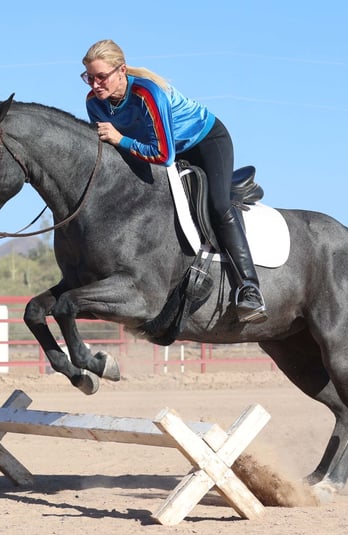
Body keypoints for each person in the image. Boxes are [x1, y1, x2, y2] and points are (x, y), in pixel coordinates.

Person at [81, 39, 267, 324]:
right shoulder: (94, 103)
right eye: (89, 78)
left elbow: (163, 154)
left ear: (122, 71)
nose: (95, 85)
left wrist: (120, 138)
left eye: (101, 77)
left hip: (204, 141)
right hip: (158, 148)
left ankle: (249, 288)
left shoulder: (146, 93)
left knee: (217, 205)